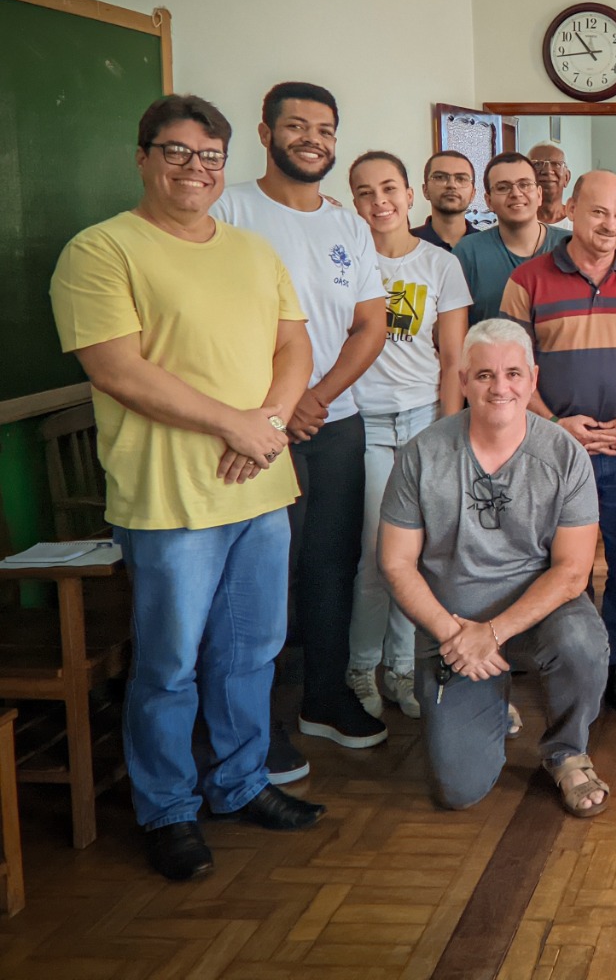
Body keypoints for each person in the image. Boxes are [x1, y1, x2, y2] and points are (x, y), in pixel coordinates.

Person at [51, 94, 323, 882]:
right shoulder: (101, 251)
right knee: (168, 665)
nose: (193, 169)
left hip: (260, 490)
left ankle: (239, 786)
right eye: (175, 152)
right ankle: (167, 808)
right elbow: (119, 370)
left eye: (209, 156)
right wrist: (234, 425)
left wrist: (264, 424)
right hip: (170, 501)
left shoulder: (251, 251)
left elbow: (293, 347)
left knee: (250, 653)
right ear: (142, 156)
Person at [213, 81, 389, 781]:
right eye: (295, 126)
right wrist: (279, 410)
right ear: (265, 133)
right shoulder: (228, 209)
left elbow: (370, 324)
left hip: (335, 420)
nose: (311, 138)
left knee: (329, 566)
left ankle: (324, 697)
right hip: (253, 430)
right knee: (262, 578)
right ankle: (259, 723)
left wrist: (317, 396)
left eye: (324, 128)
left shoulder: (346, 224)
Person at [378, 320, 611, 815]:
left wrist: (494, 632)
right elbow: (396, 564)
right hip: (453, 627)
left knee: (582, 645)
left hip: (540, 611)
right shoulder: (421, 454)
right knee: (458, 790)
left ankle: (567, 750)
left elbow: (572, 572)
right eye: (484, 375)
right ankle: (488, 701)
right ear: (462, 380)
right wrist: (454, 634)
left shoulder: (564, 454)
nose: (500, 387)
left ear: (532, 378)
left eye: (512, 374)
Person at [499, 171, 616, 715]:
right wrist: (554, 423)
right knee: (558, 564)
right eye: (600, 212)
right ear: (572, 209)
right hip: (553, 452)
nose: (611, 226)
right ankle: (571, 659)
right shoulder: (527, 280)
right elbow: (509, 369)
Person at [345, 151, 471, 722]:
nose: (380, 202)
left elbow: (452, 361)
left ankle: (401, 667)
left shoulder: (440, 265)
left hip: (424, 421)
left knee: (416, 556)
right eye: (365, 192)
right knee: (379, 554)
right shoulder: (347, 263)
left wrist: (447, 434)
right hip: (365, 422)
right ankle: (361, 665)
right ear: (354, 202)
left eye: (389, 188)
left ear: (409, 194)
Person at [454, 151, 569, 325]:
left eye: (525, 184)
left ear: (539, 194)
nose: (516, 193)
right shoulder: (468, 252)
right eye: (503, 187)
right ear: (489, 201)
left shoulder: (570, 246)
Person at [412, 150, 476, 249]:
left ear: (473, 193)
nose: (452, 185)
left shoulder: (488, 246)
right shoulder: (406, 245)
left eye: (461, 179)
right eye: (440, 177)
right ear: (425, 190)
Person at [527, 141, 572, 228]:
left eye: (556, 164)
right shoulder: (512, 223)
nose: (547, 171)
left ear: (567, 178)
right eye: (538, 164)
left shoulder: (581, 222)